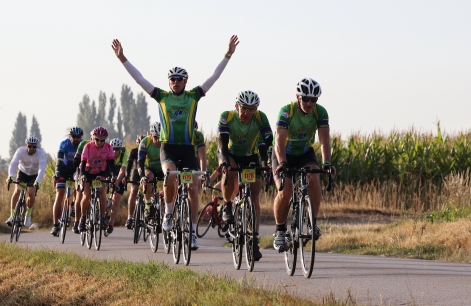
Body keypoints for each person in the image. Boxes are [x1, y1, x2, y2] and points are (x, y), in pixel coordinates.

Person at [112, 35, 239, 250]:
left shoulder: (194, 96)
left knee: (193, 187)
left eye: (180, 79)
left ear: (185, 81)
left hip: (187, 149)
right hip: (168, 147)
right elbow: (139, 79)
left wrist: (228, 54)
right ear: (169, 82)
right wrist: (122, 58)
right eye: (173, 79)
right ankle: (169, 215)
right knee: (170, 176)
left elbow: (214, 77)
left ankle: (191, 231)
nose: (176, 82)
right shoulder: (161, 96)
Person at [272, 78, 336, 251]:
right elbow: (279, 141)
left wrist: (327, 163)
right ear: (298, 97)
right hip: (282, 153)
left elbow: (324, 141)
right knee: (284, 190)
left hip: (304, 153)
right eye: (306, 98)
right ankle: (279, 231)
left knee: (314, 177)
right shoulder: (287, 111)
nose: (309, 103)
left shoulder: (320, 112)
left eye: (313, 100)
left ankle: (312, 223)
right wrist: (283, 163)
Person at [218, 90, 273, 261]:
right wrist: (224, 163)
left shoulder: (261, 118)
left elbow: (267, 143)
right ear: (237, 107)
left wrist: (267, 166)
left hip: (250, 156)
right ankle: (227, 205)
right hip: (230, 154)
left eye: (251, 109)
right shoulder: (227, 116)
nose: (247, 113)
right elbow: (222, 143)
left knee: (254, 195)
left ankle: (254, 238)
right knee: (231, 171)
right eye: (244, 108)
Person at [78, 126, 116, 232]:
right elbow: (83, 163)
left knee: (101, 193)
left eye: (102, 140)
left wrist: (113, 175)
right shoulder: (88, 147)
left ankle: (103, 217)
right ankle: (83, 218)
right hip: (87, 172)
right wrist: (82, 175)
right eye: (97, 139)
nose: (99, 142)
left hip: (100, 172)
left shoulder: (108, 147)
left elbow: (111, 164)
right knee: (86, 196)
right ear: (93, 138)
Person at [6, 137, 47, 228]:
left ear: (36, 147)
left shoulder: (41, 154)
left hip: (34, 175)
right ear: (26, 145)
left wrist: (37, 181)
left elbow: (41, 169)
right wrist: (10, 176)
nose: (32, 148)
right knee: (17, 191)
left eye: (34, 147)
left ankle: (27, 215)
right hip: (23, 172)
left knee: (31, 193)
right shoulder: (20, 151)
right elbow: (13, 163)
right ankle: (12, 216)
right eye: (30, 146)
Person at [51, 127, 83, 237]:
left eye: (79, 137)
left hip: (76, 170)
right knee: (59, 194)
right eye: (74, 137)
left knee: (78, 188)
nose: (76, 139)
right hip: (63, 169)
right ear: (70, 137)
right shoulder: (64, 144)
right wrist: (57, 172)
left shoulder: (83, 145)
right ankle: (55, 225)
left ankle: (74, 205)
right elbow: (59, 160)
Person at [136, 122, 163, 221]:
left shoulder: (166, 142)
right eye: (156, 137)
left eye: (160, 138)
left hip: (162, 169)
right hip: (150, 168)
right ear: (151, 135)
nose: (158, 141)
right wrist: (142, 176)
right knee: (148, 178)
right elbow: (140, 162)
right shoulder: (145, 142)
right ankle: (148, 205)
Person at [106, 138, 129, 234]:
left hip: (119, 173)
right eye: (113, 149)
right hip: (109, 171)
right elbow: (105, 167)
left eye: (117, 149)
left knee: (116, 200)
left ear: (120, 149)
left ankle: (111, 223)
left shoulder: (124, 154)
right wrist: (108, 179)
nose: (115, 151)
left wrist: (117, 182)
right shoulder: (107, 152)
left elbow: (122, 171)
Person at [71, 136, 91, 233]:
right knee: (79, 197)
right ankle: (76, 221)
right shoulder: (83, 144)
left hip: (95, 170)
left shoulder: (103, 147)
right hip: (81, 170)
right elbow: (76, 161)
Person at [125, 135, 143, 229]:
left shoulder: (148, 150)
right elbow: (129, 165)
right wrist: (127, 175)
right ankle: (130, 217)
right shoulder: (134, 151)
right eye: (139, 143)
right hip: (136, 172)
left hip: (146, 171)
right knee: (134, 190)